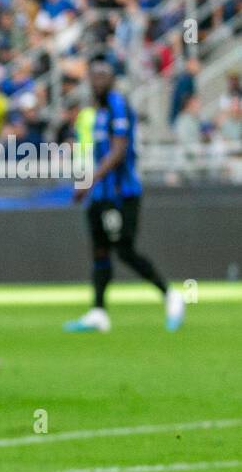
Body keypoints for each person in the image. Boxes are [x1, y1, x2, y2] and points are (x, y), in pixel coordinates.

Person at [65, 59, 184, 333]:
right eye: (94, 75)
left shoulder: (118, 105)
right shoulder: (95, 112)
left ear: (113, 80)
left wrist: (89, 180)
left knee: (124, 250)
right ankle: (98, 311)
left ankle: (170, 295)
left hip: (121, 193)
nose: (99, 80)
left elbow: (118, 151)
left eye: (104, 75)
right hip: (100, 194)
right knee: (99, 249)